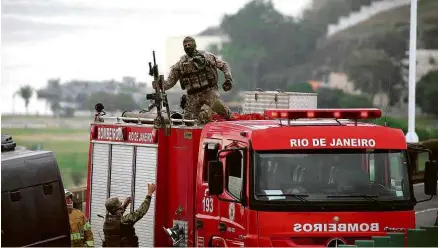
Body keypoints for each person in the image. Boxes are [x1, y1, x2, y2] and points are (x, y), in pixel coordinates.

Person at [154, 36, 233, 124]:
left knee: (218, 106)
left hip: (209, 91)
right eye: (185, 45)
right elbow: (169, 83)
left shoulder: (206, 56)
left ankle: (219, 115)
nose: (187, 47)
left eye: (189, 44)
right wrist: (159, 85)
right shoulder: (180, 64)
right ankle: (203, 116)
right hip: (193, 95)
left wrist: (228, 79)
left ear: (194, 45)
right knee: (188, 121)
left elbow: (223, 65)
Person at [102, 183, 156, 247]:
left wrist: (124, 206)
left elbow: (117, 216)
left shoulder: (107, 222)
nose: (122, 205)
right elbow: (140, 212)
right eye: (120, 205)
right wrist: (149, 194)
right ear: (118, 209)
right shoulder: (124, 221)